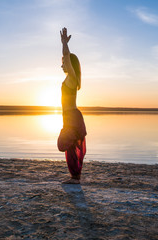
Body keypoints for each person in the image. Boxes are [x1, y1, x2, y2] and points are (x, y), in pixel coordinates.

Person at [57, 27, 87, 184]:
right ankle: (75, 177)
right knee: (70, 146)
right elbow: (67, 59)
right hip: (70, 116)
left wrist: (64, 44)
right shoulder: (71, 79)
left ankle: (75, 178)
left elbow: (67, 57)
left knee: (68, 146)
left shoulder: (71, 78)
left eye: (63, 64)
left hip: (72, 116)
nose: (62, 65)